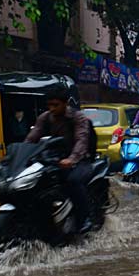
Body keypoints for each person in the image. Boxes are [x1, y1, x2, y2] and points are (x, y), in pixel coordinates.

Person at [25, 86, 95, 233]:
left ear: (65, 103)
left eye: (55, 105)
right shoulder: (44, 118)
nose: (52, 108)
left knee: (73, 181)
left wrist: (72, 159)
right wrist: (20, 154)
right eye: (49, 105)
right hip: (54, 161)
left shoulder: (78, 118)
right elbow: (32, 138)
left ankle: (85, 219)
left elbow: (81, 140)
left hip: (80, 161)